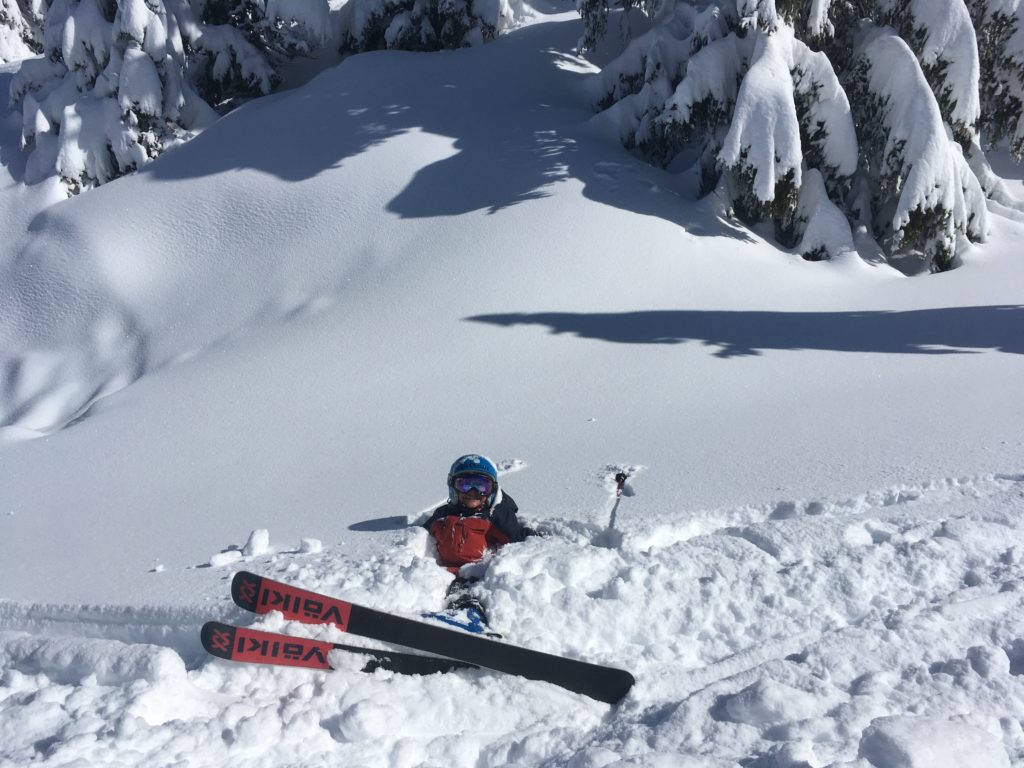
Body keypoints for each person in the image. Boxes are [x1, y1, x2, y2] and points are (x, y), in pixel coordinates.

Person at [422, 454, 535, 622]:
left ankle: (470, 617)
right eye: (465, 484)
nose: (473, 492)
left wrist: (540, 539)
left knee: (467, 593)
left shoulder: (493, 516)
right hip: (443, 574)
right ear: (453, 486)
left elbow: (518, 538)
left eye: (481, 486)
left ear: (492, 489)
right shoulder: (442, 515)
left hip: (474, 575)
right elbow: (420, 537)